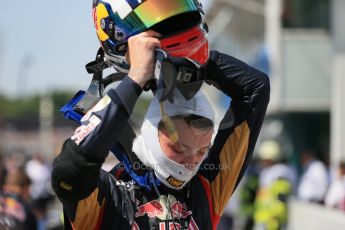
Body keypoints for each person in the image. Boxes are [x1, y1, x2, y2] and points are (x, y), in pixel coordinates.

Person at [51, 0, 270, 229]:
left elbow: (255, 89)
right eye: (178, 147)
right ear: (150, 133)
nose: (191, 160)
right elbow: (68, 174)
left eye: (202, 151)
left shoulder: (206, 188)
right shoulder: (109, 194)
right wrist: (135, 79)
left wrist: (189, 54)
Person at [253, 140, 296, 230]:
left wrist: (275, 219)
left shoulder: (280, 173)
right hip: (264, 220)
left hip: (273, 222)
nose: (262, 162)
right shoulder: (267, 172)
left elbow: (280, 199)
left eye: (264, 159)